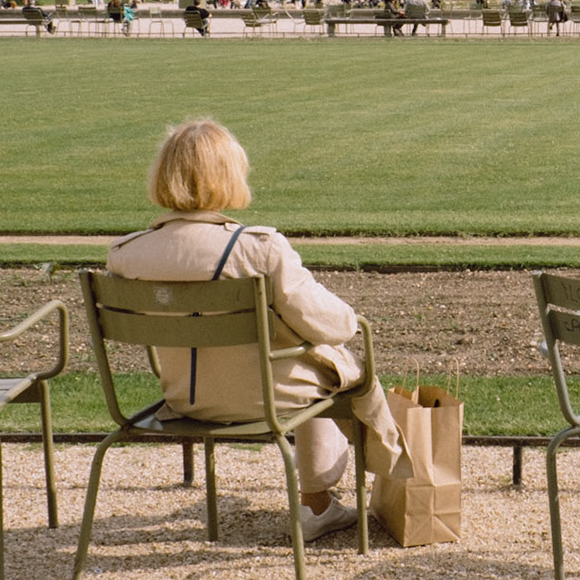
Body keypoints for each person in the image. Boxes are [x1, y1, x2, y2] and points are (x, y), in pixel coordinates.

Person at [108, 119, 407, 542]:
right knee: (336, 367)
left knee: (309, 357)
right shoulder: (258, 248)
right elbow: (335, 323)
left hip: (182, 399)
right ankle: (322, 501)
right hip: (263, 399)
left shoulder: (126, 254)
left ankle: (318, 503)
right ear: (229, 176)